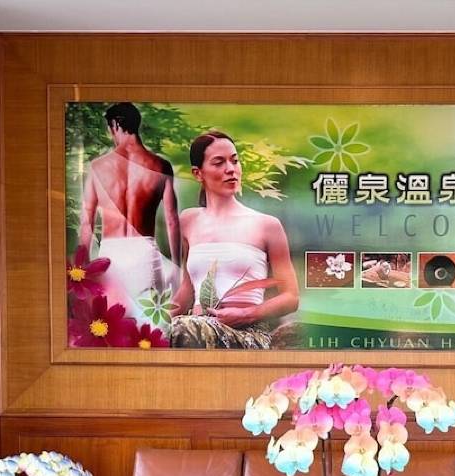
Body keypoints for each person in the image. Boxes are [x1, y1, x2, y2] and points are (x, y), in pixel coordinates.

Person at [169, 130, 300, 348]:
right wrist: (150, 322)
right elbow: (187, 289)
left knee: (182, 328)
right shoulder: (188, 221)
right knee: (172, 330)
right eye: (219, 163)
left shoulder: (267, 225)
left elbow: (291, 297)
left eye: (234, 161)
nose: (230, 169)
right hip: (195, 328)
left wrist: (247, 314)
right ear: (198, 174)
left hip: (246, 333)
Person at [76, 102, 181, 324]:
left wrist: (84, 267)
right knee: (152, 326)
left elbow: (86, 223)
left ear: (115, 125)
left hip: (110, 256)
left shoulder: (97, 167)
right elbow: (172, 220)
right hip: (145, 255)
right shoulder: (160, 166)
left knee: (114, 325)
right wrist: (176, 264)